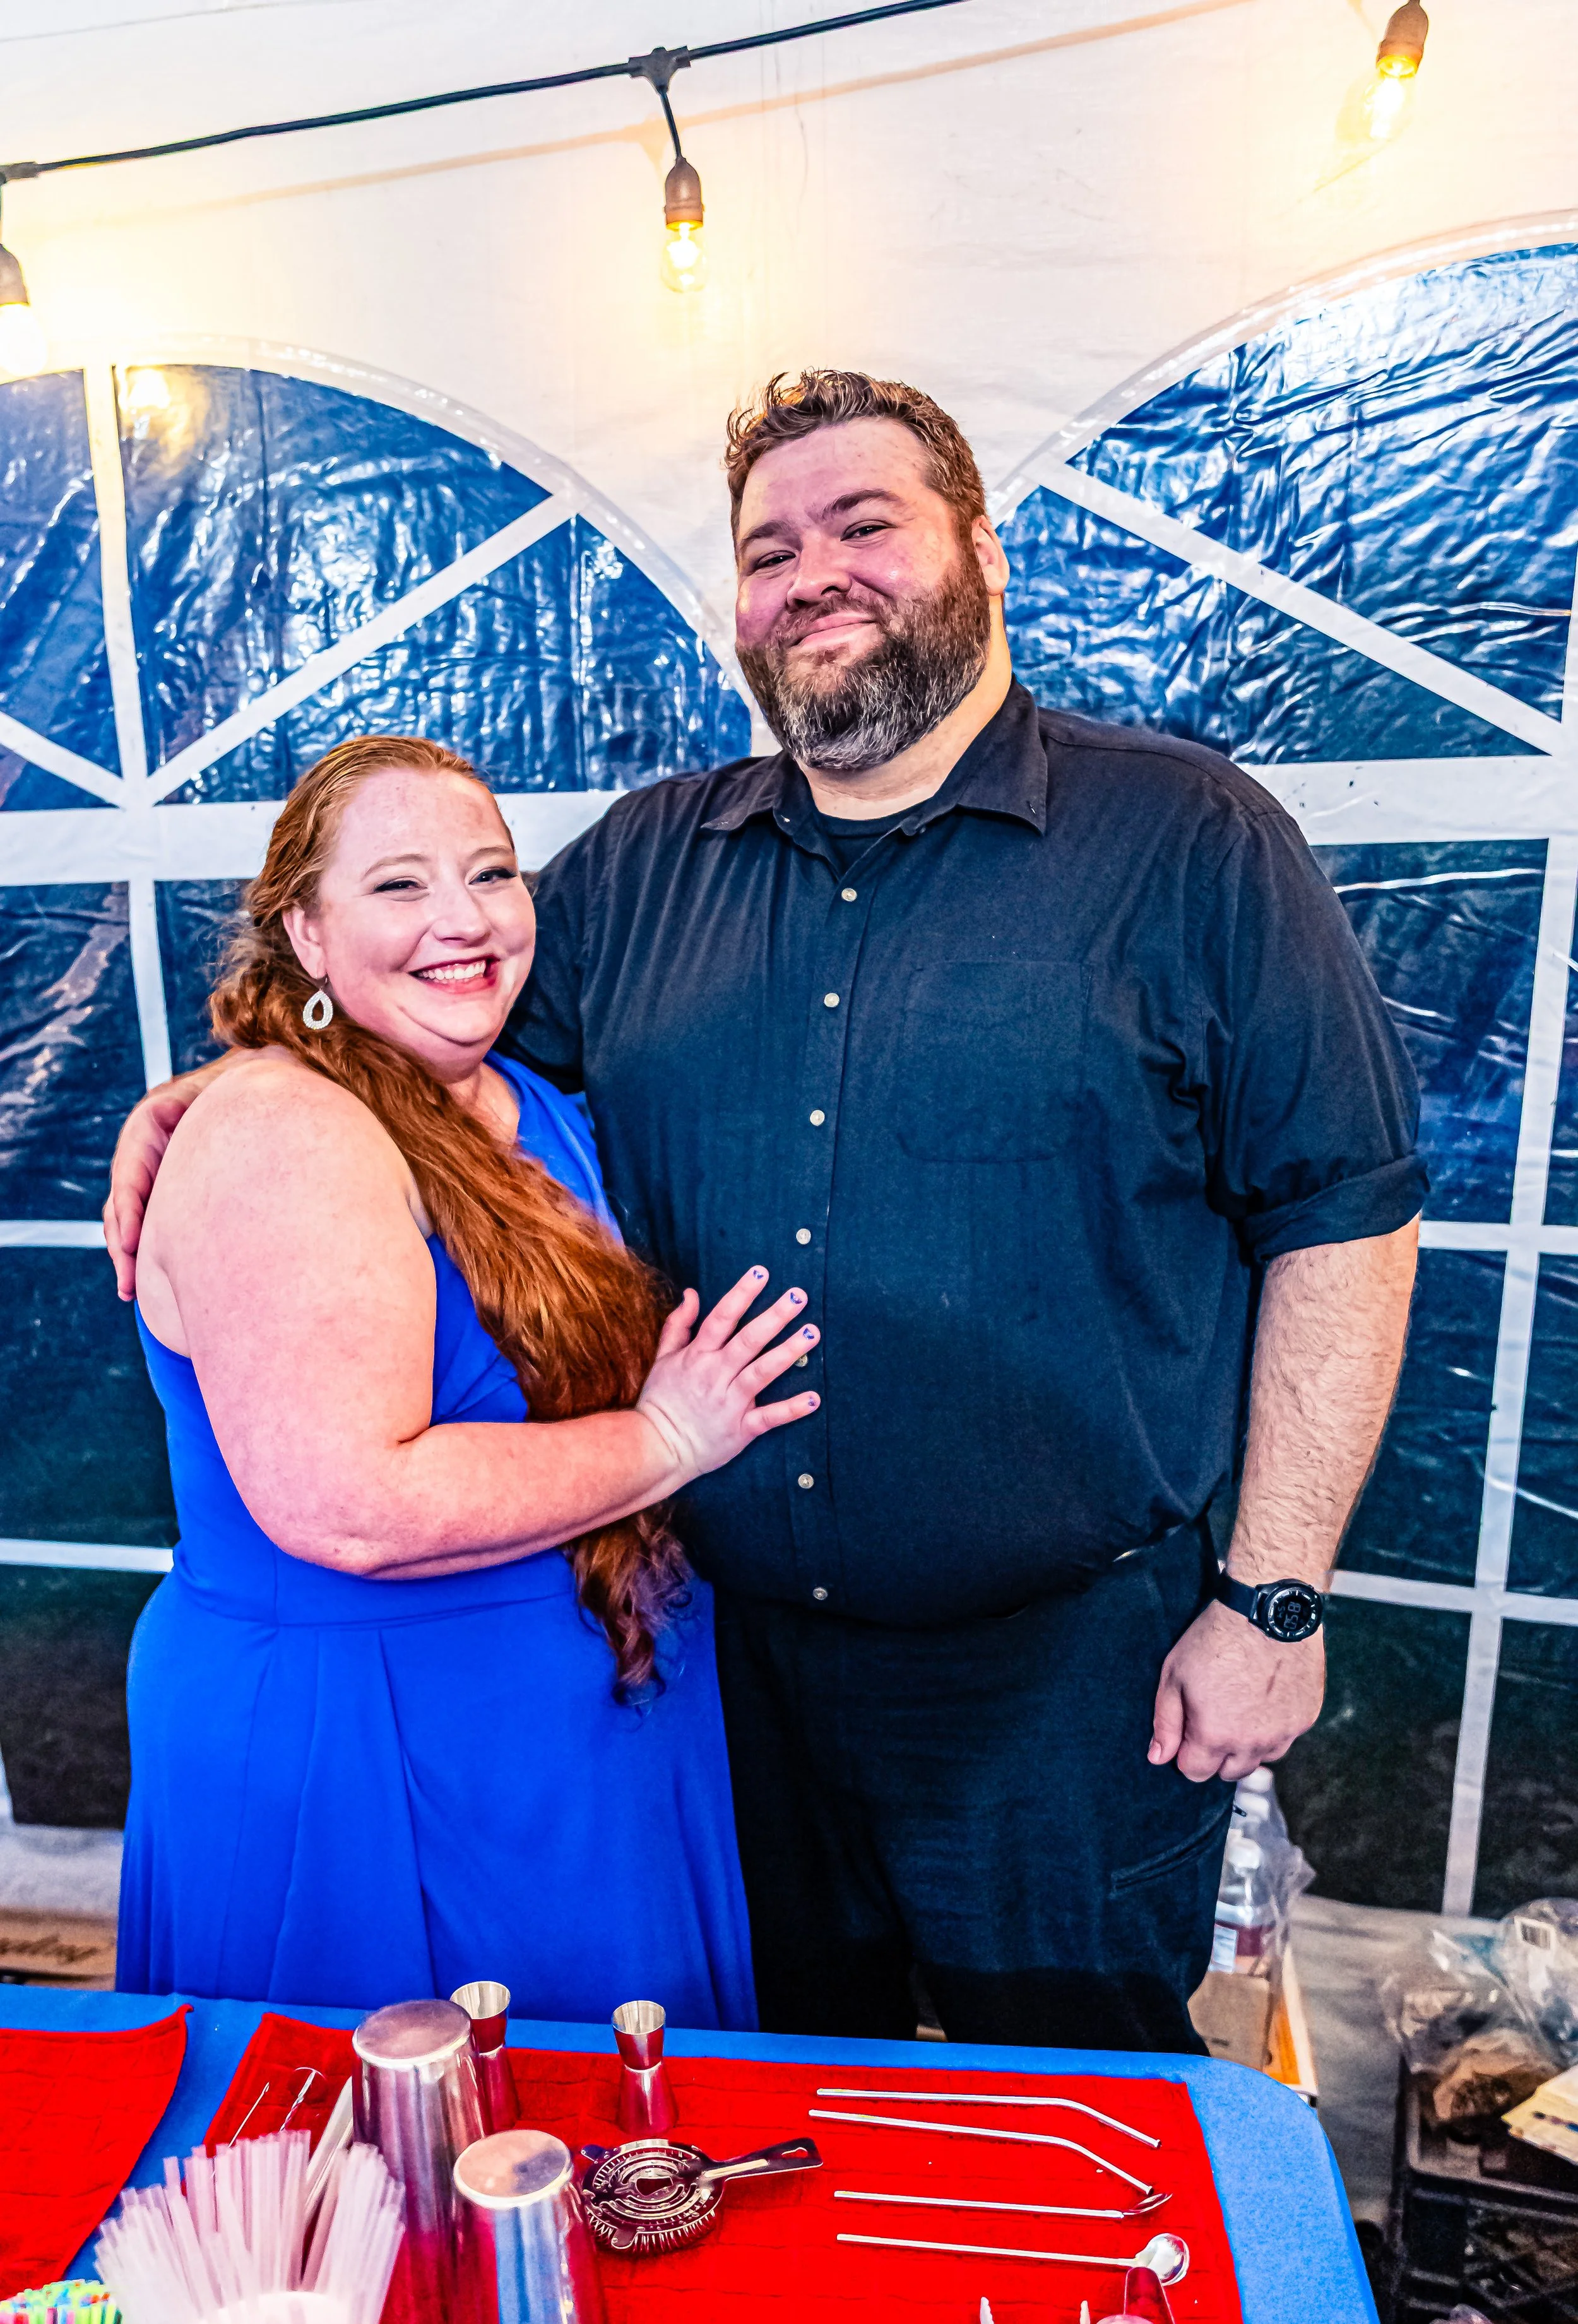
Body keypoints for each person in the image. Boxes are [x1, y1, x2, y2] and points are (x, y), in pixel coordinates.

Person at [110, 371, 1425, 2054]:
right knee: (770, 2124)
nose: (810, 573)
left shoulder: (1188, 840)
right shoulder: (645, 866)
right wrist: (216, 1100)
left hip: (1054, 1696)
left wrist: (1273, 1603)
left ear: (980, 550)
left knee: (1071, 2128)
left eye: (861, 524)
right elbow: (402, 1039)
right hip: (720, 1692)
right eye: (766, 547)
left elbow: (1346, 1214)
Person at [114, 732, 819, 2021]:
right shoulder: (285, 1130)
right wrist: (667, 1435)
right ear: (306, 934)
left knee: (607, 2179)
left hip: (576, 1744)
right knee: (402, 2176)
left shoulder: (525, 1095)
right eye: (397, 884)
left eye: (490, 872)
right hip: (370, 1754)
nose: (463, 917)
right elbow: (350, 1503)